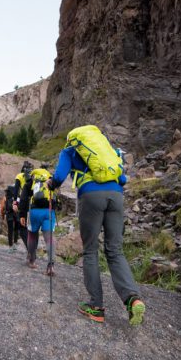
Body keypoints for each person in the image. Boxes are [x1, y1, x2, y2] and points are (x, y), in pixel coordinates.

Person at [46, 129, 145, 326]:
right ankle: (133, 299)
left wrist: (51, 183)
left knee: (90, 250)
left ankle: (96, 306)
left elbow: (59, 177)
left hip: (91, 197)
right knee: (115, 250)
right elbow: (123, 179)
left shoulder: (70, 150)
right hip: (116, 196)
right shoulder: (108, 150)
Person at [18, 166, 58, 275]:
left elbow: (23, 197)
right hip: (48, 211)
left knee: (32, 236)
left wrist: (22, 214)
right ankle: (50, 266)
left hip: (34, 211)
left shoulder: (32, 180)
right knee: (49, 239)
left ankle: (31, 261)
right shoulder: (51, 178)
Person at [13, 161, 33, 251]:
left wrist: (14, 203)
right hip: (33, 203)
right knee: (31, 226)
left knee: (22, 227)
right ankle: (33, 247)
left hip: (23, 202)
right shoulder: (34, 175)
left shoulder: (19, 176)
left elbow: (16, 190)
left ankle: (29, 249)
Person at [0, 185, 19, 251]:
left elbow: (2, 208)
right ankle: (15, 244)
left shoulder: (5, 198)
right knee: (16, 230)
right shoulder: (17, 198)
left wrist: (2, 216)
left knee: (10, 231)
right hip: (17, 215)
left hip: (9, 215)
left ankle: (10, 246)